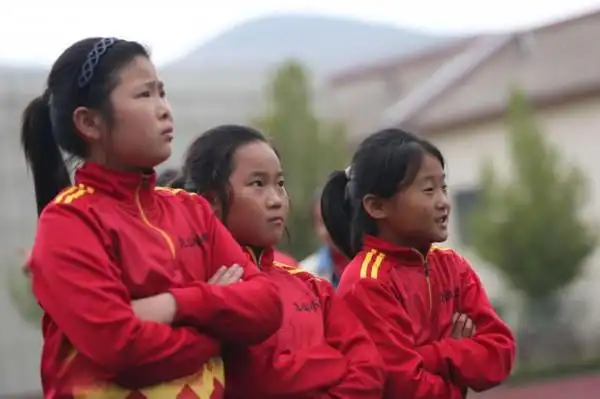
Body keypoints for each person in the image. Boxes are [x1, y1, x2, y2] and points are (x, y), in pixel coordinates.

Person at [21, 37, 283, 399]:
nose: (164, 109)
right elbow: (123, 348)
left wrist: (175, 304)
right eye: (145, 95)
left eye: (162, 93)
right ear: (90, 122)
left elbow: (267, 305)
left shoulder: (190, 210)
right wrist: (220, 326)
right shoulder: (69, 222)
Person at [145, 124, 386, 398]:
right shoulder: (206, 290)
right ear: (210, 200)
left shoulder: (310, 286)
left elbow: (370, 368)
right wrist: (333, 362)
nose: (276, 200)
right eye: (258, 184)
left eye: (280, 184)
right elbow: (261, 379)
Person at [320, 128, 516, 398]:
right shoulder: (367, 283)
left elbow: (499, 355)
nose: (443, 202)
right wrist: (459, 366)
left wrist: (434, 354)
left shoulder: (453, 267)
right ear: (377, 207)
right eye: (428, 190)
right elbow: (406, 387)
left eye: (443, 187)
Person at [300, 189, 349, 287]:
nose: (328, 229)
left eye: (334, 219)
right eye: (321, 221)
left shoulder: (373, 268)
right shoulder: (306, 273)